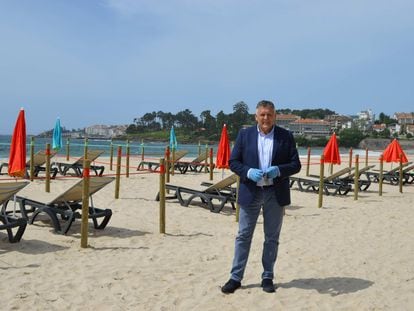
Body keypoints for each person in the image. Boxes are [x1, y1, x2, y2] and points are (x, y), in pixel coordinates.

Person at [221, 100, 301, 294]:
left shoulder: (286, 136)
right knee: (243, 236)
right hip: (251, 191)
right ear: (256, 116)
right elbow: (233, 162)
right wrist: (247, 172)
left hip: (275, 192)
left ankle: (267, 276)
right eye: (262, 114)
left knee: (271, 237)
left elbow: (295, 164)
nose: (266, 118)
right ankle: (236, 277)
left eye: (270, 115)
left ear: (275, 116)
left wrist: (279, 170)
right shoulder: (244, 135)